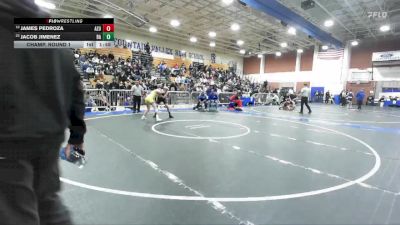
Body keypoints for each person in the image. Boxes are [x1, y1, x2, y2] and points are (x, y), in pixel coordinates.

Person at [0, 0, 86, 224]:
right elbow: (76, 90)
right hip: (48, 141)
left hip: (8, 142)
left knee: (14, 212)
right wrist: (76, 136)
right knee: (49, 205)